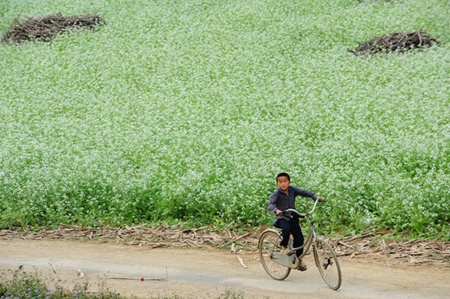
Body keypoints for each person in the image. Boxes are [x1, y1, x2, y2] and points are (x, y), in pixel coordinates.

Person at [268, 172, 323, 271]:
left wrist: (315, 197)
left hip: (293, 216)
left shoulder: (293, 190)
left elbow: (304, 192)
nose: (283, 184)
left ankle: (298, 259)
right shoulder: (276, 194)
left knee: (299, 239)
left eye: (285, 181)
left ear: (289, 182)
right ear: (277, 183)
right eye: (280, 182)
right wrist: (277, 210)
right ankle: (284, 246)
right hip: (283, 217)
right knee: (286, 228)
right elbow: (270, 204)